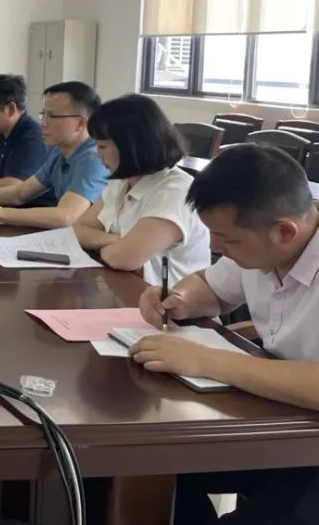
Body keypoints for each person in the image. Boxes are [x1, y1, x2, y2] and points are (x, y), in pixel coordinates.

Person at [131, 145, 319, 524]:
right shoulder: (260, 246)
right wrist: (178, 298)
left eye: (227, 239)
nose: (216, 248)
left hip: (308, 451)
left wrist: (209, 361)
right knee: (150, 465)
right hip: (280, 420)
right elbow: (212, 288)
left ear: (284, 231)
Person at [73, 95, 210, 284]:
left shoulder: (175, 191)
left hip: (170, 299)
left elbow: (121, 259)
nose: (98, 154)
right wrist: (118, 240)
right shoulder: (122, 182)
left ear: (131, 146)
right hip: (127, 287)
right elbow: (78, 230)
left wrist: (109, 244)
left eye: (102, 146)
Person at [0, 81, 109, 229]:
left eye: (51, 116)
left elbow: (65, 216)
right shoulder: (60, 153)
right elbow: (21, 193)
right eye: (43, 115)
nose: (43, 123)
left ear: (80, 123)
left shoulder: (95, 157)